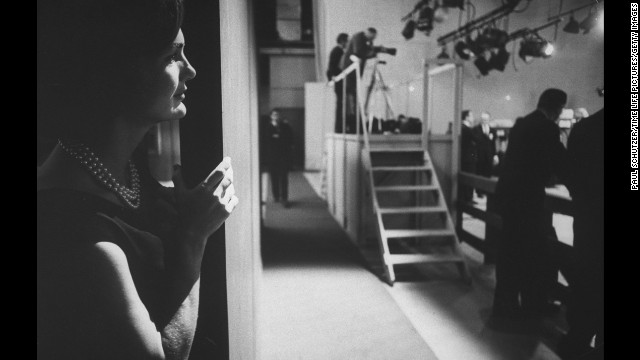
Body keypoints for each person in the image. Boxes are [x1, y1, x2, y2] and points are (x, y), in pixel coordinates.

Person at [37, 1, 239, 359]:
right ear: (119, 71)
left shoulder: (125, 169)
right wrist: (193, 236)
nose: (190, 70)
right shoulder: (79, 231)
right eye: (172, 55)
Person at [492, 89, 568, 320]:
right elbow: (561, 162)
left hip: (509, 200)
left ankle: (505, 306)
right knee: (534, 255)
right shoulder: (547, 127)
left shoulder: (522, 124)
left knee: (510, 254)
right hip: (527, 202)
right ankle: (533, 304)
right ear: (556, 108)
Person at [558, 108, 604, 359]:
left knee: (586, 280)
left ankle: (577, 341)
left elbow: (570, 172)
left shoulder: (584, 128)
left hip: (587, 219)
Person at [339, 28, 388, 134]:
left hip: (355, 72)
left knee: (354, 95)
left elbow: (365, 50)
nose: (373, 39)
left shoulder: (365, 40)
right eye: (372, 37)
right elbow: (359, 52)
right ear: (369, 33)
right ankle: (353, 123)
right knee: (351, 95)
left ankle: (357, 120)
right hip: (350, 70)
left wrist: (378, 49)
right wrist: (374, 52)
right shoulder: (358, 37)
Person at [264, 109, 294, 207]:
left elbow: (289, 138)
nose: (276, 116)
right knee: (274, 177)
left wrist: (277, 137)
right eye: (274, 114)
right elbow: (267, 139)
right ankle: (276, 196)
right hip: (272, 157)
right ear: (271, 116)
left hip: (283, 156)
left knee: (284, 177)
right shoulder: (267, 127)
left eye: (277, 114)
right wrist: (278, 137)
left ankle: (284, 198)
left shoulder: (284, 126)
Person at [327, 33, 349, 133]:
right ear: (343, 41)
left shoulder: (338, 51)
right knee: (340, 104)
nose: (348, 43)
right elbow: (332, 66)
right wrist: (333, 77)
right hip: (338, 80)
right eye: (347, 41)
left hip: (338, 79)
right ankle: (339, 127)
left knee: (341, 104)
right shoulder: (337, 51)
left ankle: (340, 127)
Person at [460, 110, 478, 203]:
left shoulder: (461, 127)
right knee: (470, 178)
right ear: (466, 117)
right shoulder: (466, 129)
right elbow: (476, 139)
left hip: (464, 157)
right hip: (469, 158)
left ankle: (467, 197)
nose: (473, 118)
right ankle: (468, 198)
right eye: (471, 116)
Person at [473, 111, 497, 180]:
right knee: (479, 175)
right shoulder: (476, 129)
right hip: (479, 156)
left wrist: (495, 155)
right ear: (481, 119)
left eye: (486, 119)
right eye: (483, 119)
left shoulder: (493, 130)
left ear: (489, 119)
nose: (484, 121)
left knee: (488, 175)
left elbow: (493, 144)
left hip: (489, 156)